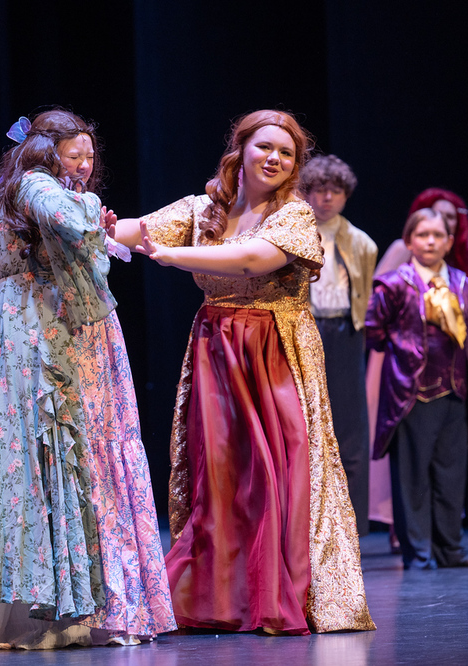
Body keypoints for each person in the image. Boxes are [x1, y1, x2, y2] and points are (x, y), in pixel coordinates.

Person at [111, 110, 374, 635]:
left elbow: (254, 260)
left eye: (287, 153)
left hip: (275, 348)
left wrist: (170, 255)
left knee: (282, 466)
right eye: (265, 148)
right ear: (241, 151)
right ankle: (221, 598)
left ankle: (284, 593)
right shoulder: (203, 209)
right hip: (216, 347)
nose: (274, 159)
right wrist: (84, 225)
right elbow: (134, 230)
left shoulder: (295, 215)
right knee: (223, 473)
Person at [0, 110, 176, 649]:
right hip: (37, 326)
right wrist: (89, 213)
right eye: (73, 156)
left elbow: (87, 232)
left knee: (89, 447)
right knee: (45, 448)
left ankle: (89, 603)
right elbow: (70, 220)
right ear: (45, 155)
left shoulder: (55, 189)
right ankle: (48, 609)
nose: (84, 165)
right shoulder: (35, 184)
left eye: (88, 156)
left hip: (71, 323)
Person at [365, 207, 468, 570]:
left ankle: (451, 548)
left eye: (438, 235)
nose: (430, 241)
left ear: (449, 242)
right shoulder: (395, 283)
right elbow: (373, 328)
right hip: (413, 390)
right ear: (410, 241)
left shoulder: (462, 284)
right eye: (422, 234)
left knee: (450, 473)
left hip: (456, 389)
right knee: (412, 475)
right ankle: (419, 551)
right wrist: (404, 354)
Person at [299, 155, 378, 536]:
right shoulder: (294, 231)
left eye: (335, 191)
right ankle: (309, 523)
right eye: (320, 190)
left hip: (346, 331)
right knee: (307, 421)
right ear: (308, 192)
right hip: (307, 327)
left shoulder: (361, 242)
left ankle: (354, 524)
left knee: (350, 427)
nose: (327, 198)